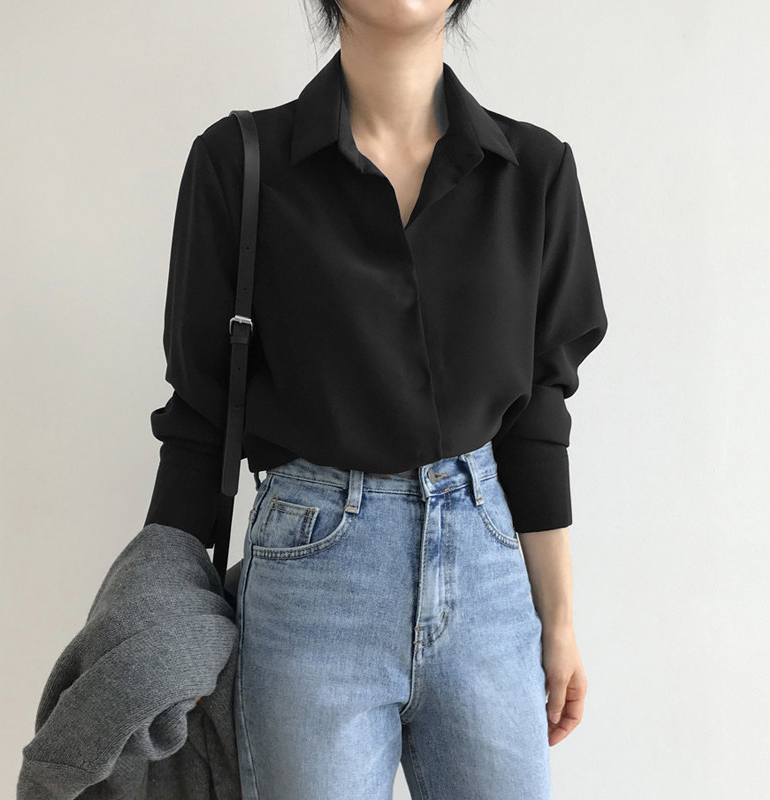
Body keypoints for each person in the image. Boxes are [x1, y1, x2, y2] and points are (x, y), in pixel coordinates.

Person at [144, 1, 608, 797]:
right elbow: (200, 419)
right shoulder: (240, 163)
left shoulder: (534, 171)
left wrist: (559, 619)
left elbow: (537, 415)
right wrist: (162, 622)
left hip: (489, 580)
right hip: (311, 581)